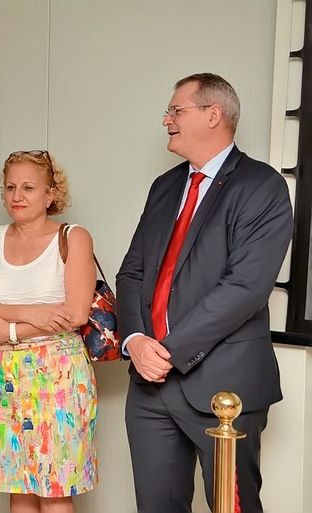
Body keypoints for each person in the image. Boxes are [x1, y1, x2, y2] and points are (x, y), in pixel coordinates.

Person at [116, 73, 293, 513]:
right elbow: (132, 272)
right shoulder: (165, 187)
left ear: (213, 115)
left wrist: (167, 351)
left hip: (225, 387)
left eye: (176, 110)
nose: (166, 120)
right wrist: (135, 341)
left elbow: (246, 287)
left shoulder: (261, 186)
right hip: (150, 388)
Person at [0, 150, 98, 513]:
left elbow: (75, 313)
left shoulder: (73, 237)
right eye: (10, 188)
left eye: (28, 187)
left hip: (58, 375)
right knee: (17, 486)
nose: (17, 196)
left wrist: (7, 331)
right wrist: (31, 313)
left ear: (51, 194)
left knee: (55, 488)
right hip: (2, 377)